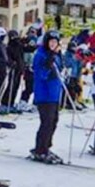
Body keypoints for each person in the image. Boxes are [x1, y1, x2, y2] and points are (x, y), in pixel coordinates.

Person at [29, 30, 66, 158]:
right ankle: (40, 149)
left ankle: (46, 146)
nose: (53, 44)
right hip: (44, 94)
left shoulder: (56, 55)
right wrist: (48, 65)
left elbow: (60, 70)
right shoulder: (41, 55)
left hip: (54, 94)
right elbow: (41, 74)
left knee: (54, 121)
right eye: (51, 41)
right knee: (47, 122)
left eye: (55, 42)